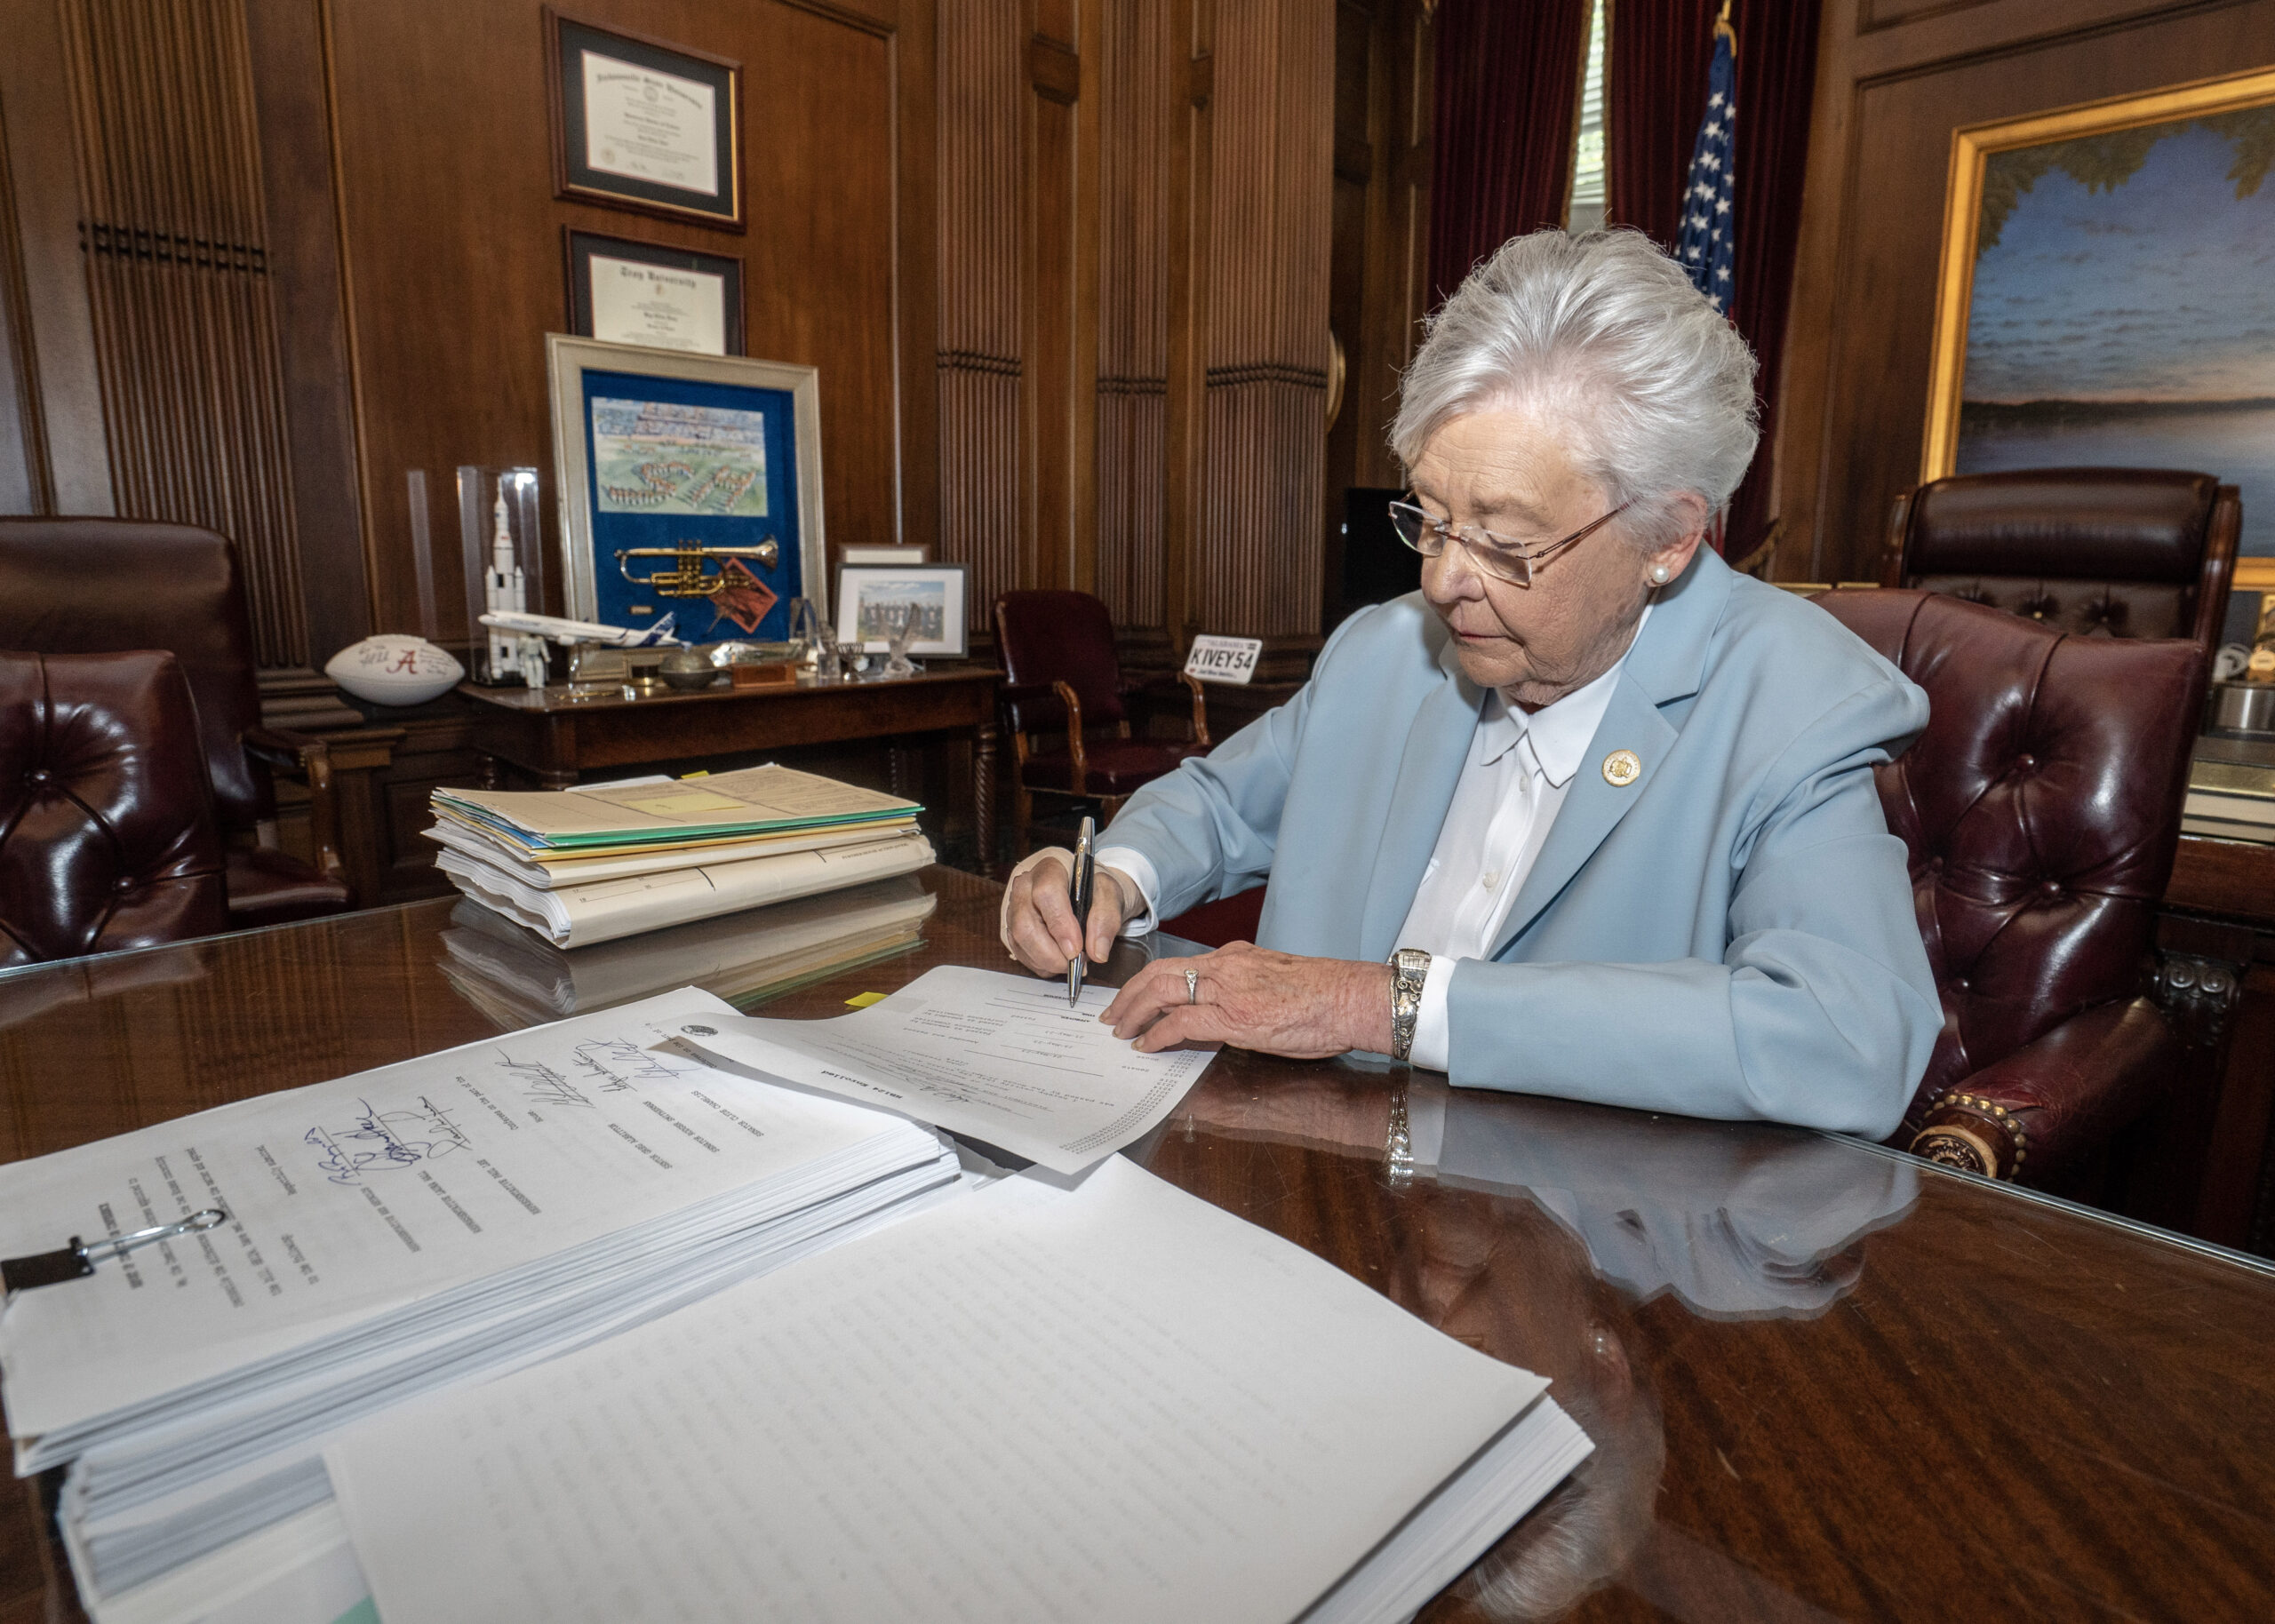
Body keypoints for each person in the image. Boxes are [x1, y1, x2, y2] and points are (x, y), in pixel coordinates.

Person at [1001, 227, 1939, 1136]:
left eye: (1502, 538)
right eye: (1434, 519)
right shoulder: (1386, 649)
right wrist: (1108, 878)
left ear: (1668, 537)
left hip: (1575, 1248)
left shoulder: (1795, 703)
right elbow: (1219, 802)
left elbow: (1849, 1038)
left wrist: (1385, 1006)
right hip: (1308, 1175)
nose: (1444, 580)